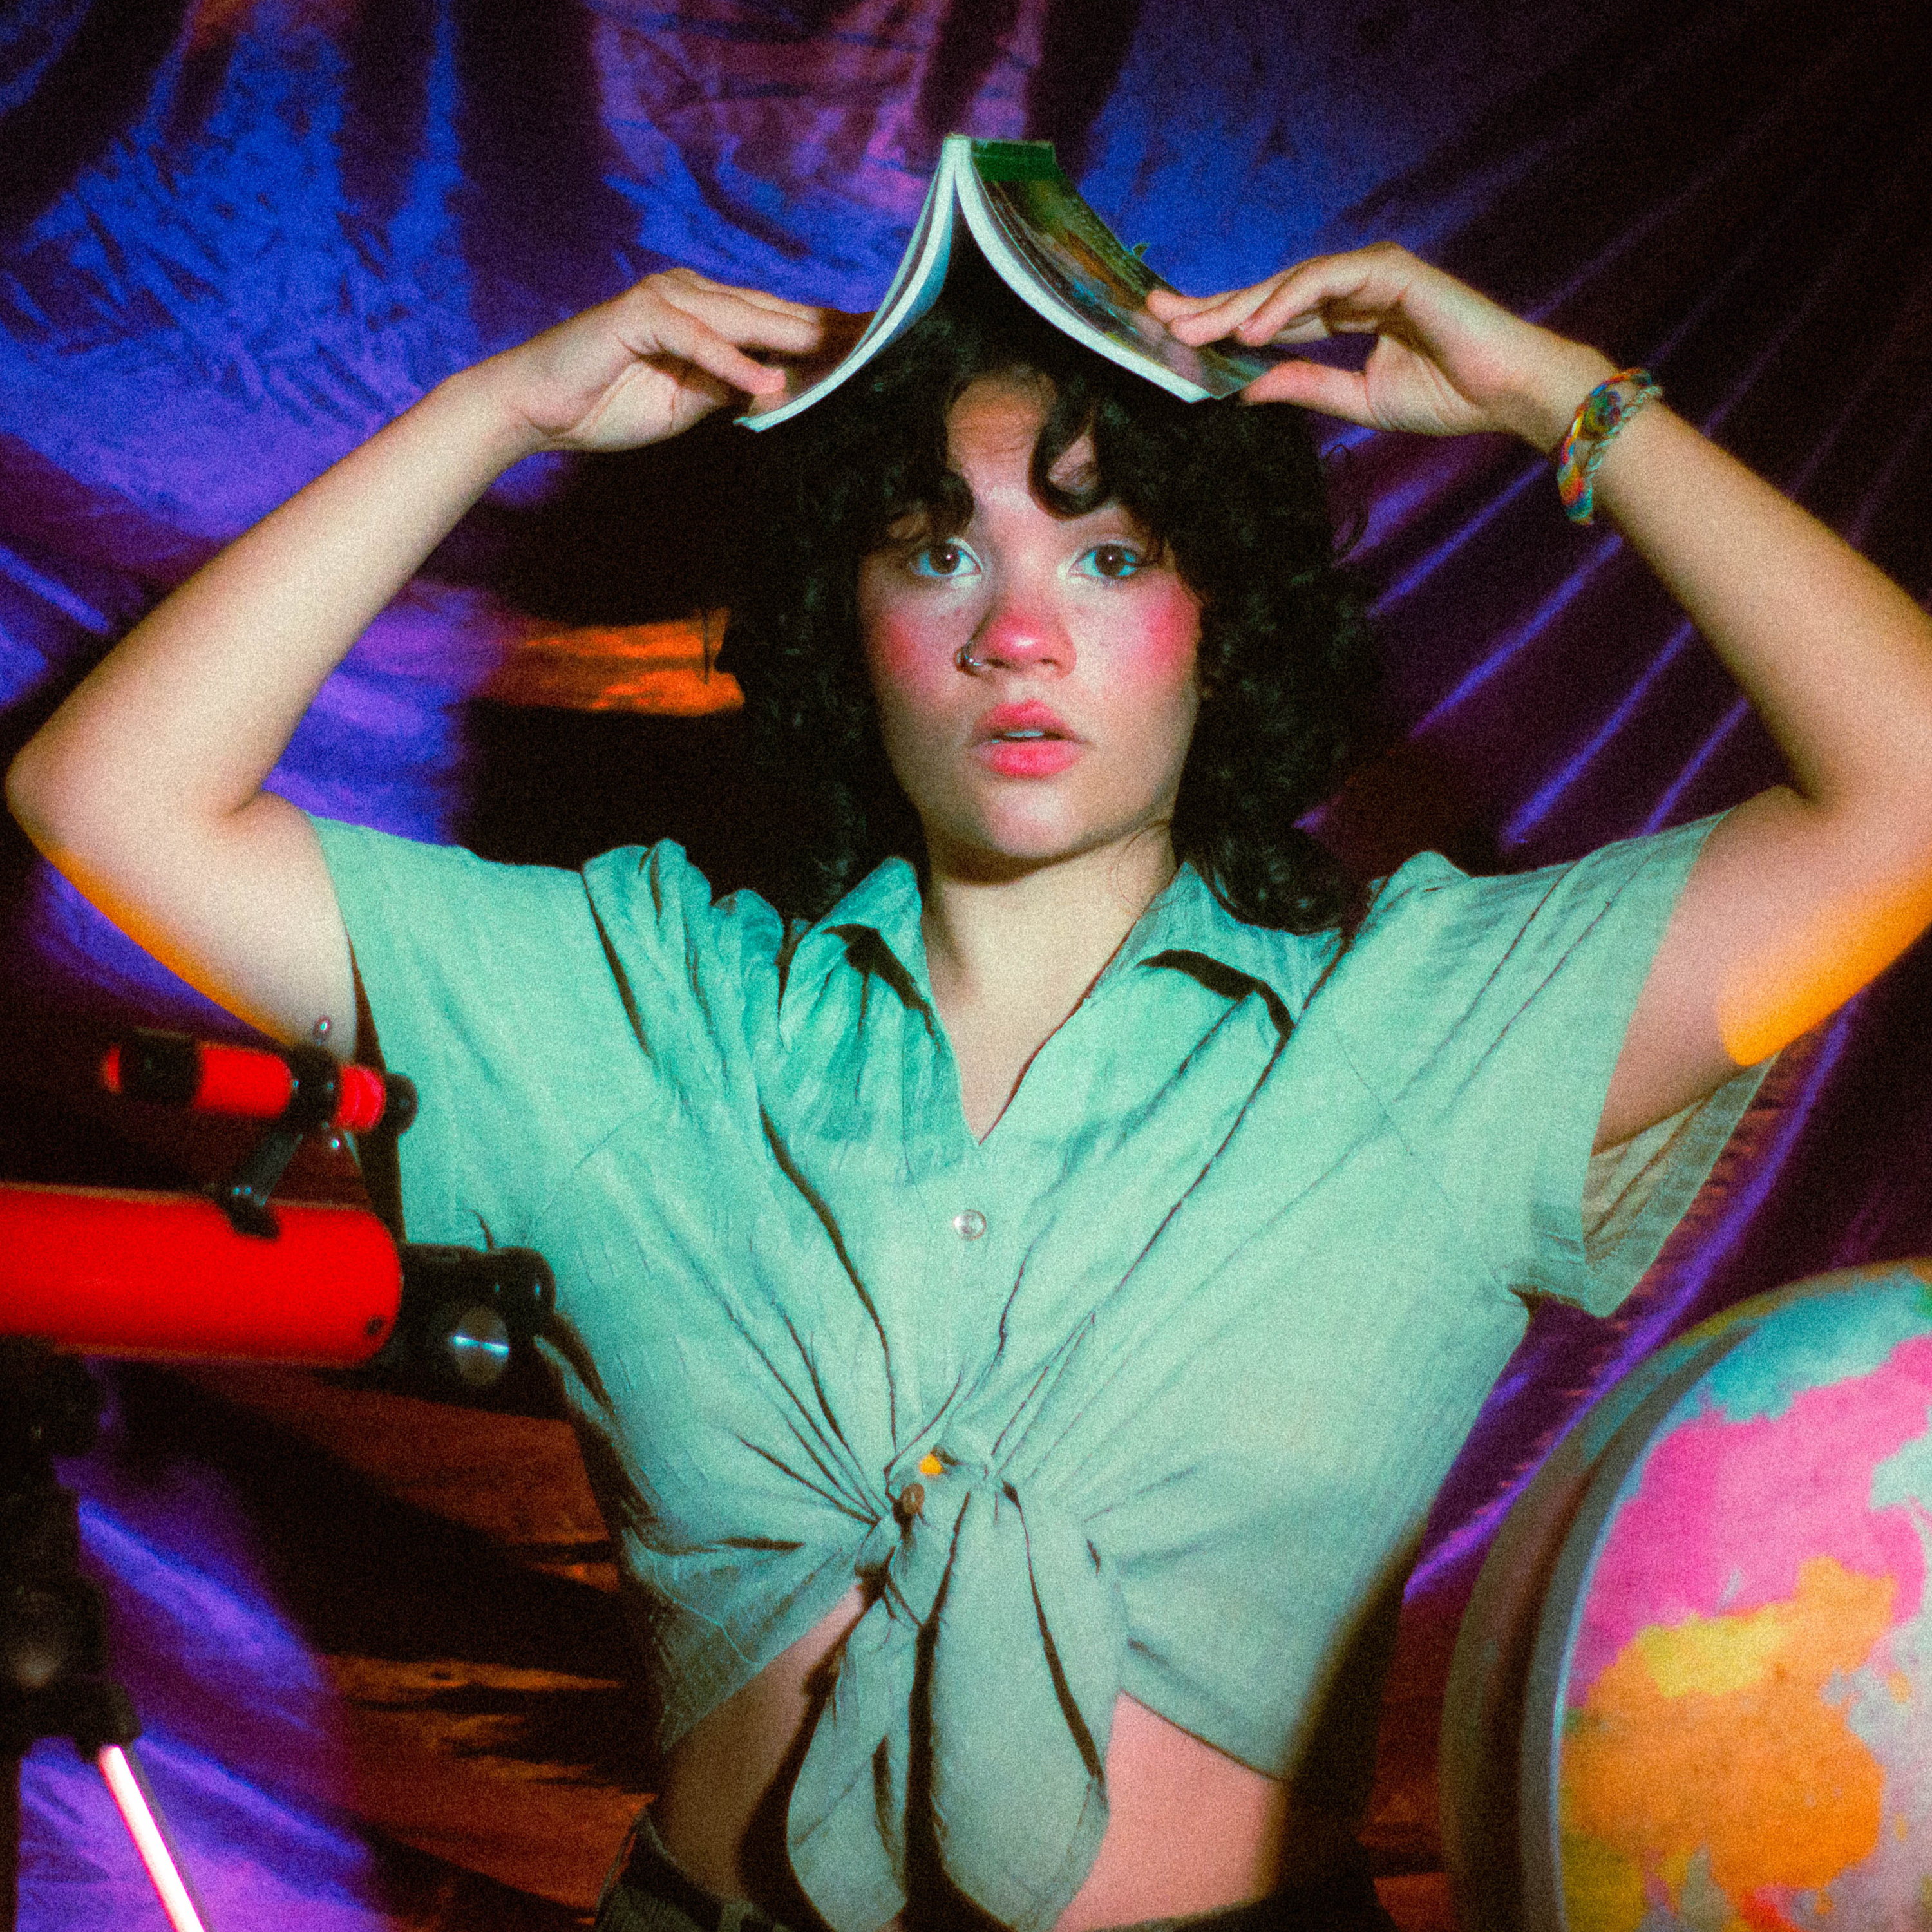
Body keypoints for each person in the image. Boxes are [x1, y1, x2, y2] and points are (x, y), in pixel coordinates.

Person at [9, 235, 1932, 1932]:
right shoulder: (641, 1003)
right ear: (852, 627)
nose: (1018, 635)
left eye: (1108, 554)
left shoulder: (1430, 1023)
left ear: (1218, 626)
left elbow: (1908, 793)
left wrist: (1565, 402)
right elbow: (108, 795)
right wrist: (491, 412)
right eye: (941, 553)